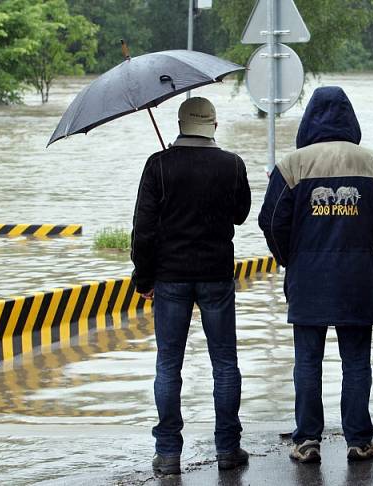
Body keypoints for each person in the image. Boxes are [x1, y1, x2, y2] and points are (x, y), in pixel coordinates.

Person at [258, 86, 373, 464]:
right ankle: (359, 441)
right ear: (350, 119)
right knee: (356, 362)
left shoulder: (292, 165)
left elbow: (271, 222)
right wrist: (360, 238)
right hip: (358, 279)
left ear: (308, 121)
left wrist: (292, 258)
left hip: (308, 280)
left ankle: (307, 441)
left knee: (307, 362)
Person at [131, 97, 252, 475]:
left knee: (168, 366)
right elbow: (241, 214)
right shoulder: (232, 164)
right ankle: (228, 450)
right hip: (216, 275)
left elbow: (143, 230)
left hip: (170, 278)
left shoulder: (158, 165)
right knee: (225, 364)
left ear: (180, 125)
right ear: (214, 126)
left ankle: (168, 454)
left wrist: (143, 278)